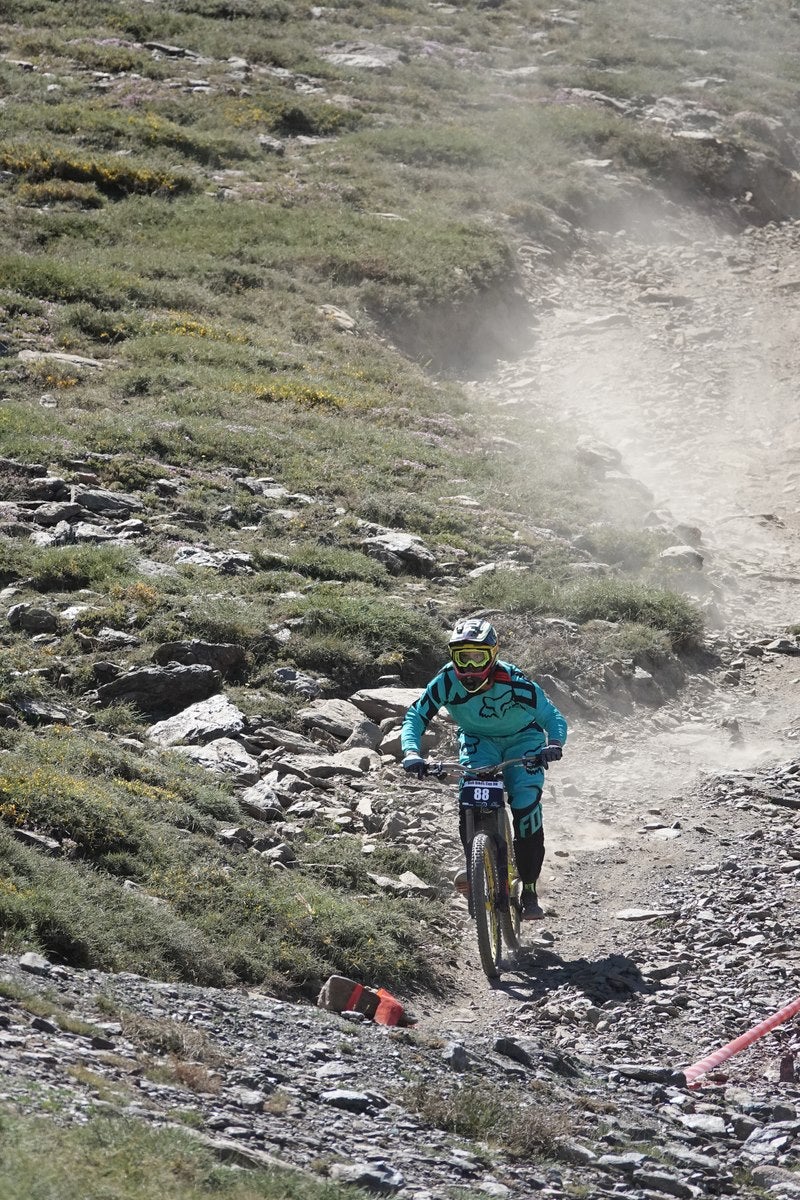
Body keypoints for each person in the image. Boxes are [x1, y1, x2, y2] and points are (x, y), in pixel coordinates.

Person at [400, 617, 567, 920]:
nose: (470, 666)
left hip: (523, 739)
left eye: (479, 657)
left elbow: (551, 716)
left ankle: (529, 890)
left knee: (525, 801)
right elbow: (416, 715)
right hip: (478, 740)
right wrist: (412, 751)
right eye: (462, 657)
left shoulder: (514, 681)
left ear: (494, 655)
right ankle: (476, 864)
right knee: (471, 794)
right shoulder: (445, 681)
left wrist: (554, 743)